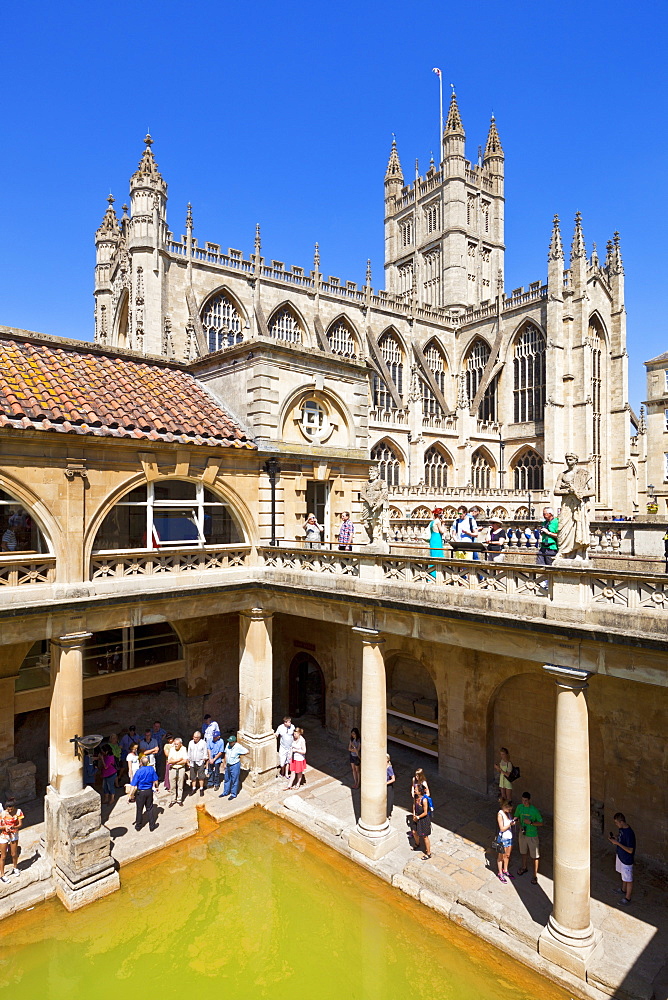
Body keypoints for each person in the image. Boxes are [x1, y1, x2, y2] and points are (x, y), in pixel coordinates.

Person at [515, 791, 543, 883]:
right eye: (523, 800)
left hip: (532, 835)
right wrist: (515, 820)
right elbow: (516, 816)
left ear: (529, 800)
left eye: (526, 801)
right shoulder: (519, 807)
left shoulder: (534, 811)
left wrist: (531, 823)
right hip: (523, 833)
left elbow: (541, 823)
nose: (524, 802)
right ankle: (524, 867)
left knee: (534, 856)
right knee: (523, 852)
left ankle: (534, 875)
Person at [609, 812, 636, 905]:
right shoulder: (622, 829)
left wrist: (617, 843)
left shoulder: (629, 833)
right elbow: (621, 838)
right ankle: (623, 890)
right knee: (623, 875)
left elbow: (630, 850)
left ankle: (627, 898)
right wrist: (616, 838)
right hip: (620, 856)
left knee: (628, 879)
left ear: (621, 822)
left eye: (616, 823)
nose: (616, 824)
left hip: (626, 859)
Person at [130, 755, 159, 831]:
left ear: (140, 763)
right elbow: (155, 780)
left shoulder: (138, 771)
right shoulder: (151, 769)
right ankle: (152, 826)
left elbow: (133, 785)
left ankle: (138, 826)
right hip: (149, 791)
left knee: (139, 809)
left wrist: (131, 795)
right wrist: (156, 787)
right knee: (149, 808)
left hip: (141, 793)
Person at [0, 799, 24, 881]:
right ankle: (2, 874)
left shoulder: (18, 812)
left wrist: (14, 827)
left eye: (11, 809)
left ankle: (15, 867)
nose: (9, 811)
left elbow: (20, 824)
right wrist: (5, 827)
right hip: (4, 835)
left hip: (14, 835)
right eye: (8, 809)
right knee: (3, 856)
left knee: (14, 853)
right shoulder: (3, 813)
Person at [221, 734, 249, 800]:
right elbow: (226, 754)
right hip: (228, 764)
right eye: (229, 741)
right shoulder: (228, 745)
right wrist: (224, 763)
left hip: (235, 765)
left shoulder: (238, 747)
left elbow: (247, 751)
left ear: (234, 742)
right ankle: (225, 792)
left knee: (234, 780)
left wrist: (240, 754)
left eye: (231, 742)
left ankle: (233, 794)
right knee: (227, 779)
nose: (229, 743)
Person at [496, 799, 516, 882]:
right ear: (505, 807)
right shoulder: (500, 814)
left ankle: (506, 870)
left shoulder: (508, 814)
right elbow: (502, 828)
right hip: (502, 839)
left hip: (509, 837)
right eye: (509, 809)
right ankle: (500, 873)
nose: (510, 811)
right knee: (501, 857)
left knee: (507, 855)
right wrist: (510, 824)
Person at [167, 737, 189, 806]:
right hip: (172, 769)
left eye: (177, 744)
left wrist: (175, 762)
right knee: (172, 785)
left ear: (180, 744)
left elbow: (185, 760)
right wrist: (179, 759)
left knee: (180, 785)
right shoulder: (171, 749)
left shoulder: (183, 749)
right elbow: (169, 761)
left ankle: (179, 799)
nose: (176, 745)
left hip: (181, 769)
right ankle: (173, 800)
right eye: (175, 744)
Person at [411, 783, 431, 860]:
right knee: (414, 832)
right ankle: (417, 843)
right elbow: (414, 805)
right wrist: (413, 814)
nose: (414, 790)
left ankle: (428, 853)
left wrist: (418, 817)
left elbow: (425, 812)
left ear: (420, 791)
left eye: (416, 789)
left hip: (423, 819)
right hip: (416, 817)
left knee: (425, 836)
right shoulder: (416, 797)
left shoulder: (424, 800)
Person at [187, 730, 209, 798]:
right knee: (193, 776)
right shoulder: (190, 742)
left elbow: (205, 752)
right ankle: (193, 788)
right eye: (194, 737)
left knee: (201, 776)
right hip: (192, 762)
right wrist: (188, 760)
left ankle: (201, 788)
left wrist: (204, 760)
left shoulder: (203, 743)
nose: (194, 738)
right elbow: (189, 752)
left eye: (196, 737)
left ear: (199, 737)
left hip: (200, 761)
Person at [275, 716, 295, 780]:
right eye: (289, 722)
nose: (290, 723)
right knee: (282, 761)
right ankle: (282, 771)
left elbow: (294, 735)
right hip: (283, 747)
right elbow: (276, 734)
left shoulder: (292, 727)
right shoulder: (280, 727)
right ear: (285, 722)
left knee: (288, 761)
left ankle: (286, 773)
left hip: (290, 747)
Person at [386, 754, 395, 818]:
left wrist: (385, 783)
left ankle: (388, 813)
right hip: (384, 785)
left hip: (388, 786)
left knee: (389, 799)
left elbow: (393, 779)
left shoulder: (389, 768)